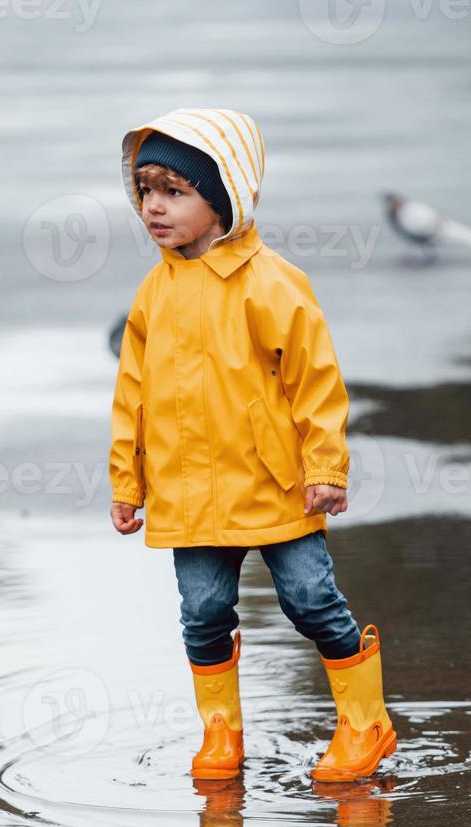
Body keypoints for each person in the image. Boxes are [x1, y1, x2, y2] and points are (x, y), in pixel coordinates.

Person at [108, 108, 396, 782]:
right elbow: (133, 397)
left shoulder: (273, 283)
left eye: (175, 191)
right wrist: (129, 481)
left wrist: (324, 466)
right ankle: (221, 735)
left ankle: (365, 723)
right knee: (203, 610)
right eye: (145, 189)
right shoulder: (154, 295)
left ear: (224, 197)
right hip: (188, 493)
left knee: (310, 600)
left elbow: (315, 380)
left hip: (276, 484)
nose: (154, 206)